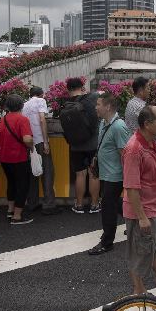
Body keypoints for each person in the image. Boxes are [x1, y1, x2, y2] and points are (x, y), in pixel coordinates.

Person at [122, 105, 156, 294]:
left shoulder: (152, 142)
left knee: (155, 244)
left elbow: (150, 174)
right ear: (147, 124)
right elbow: (131, 186)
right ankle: (138, 289)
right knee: (140, 250)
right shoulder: (134, 149)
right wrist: (141, 217)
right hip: (143, 210)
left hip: (154, 206)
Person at [88, 93, 131, 255]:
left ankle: (107, 242)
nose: (95, 107)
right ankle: (134, 221)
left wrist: (129, 178)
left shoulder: (119, 127)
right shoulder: (103, 123)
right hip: (106, 173)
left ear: (108, 107)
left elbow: (125, 154)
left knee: (107, 207)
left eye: (98, 104)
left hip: (115, 175)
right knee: (113, 203)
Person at [61, 77, 101, 214]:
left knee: (80, 175)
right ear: (82, 87)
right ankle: (95, 204)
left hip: (75, 145)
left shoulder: (65, 104)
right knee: (93, 174)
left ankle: (78, 204)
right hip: (92, 143)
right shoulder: (92, 98)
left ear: (68, 89)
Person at [0, 94, 34, 225]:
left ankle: (10, 210)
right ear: (22, 105)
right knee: (22, 185)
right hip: (19, 158)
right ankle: (17, 216)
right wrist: (31, 146)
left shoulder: (3, 119)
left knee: (11, 183)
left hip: (4, 158)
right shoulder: (22, 119)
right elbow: (27, 139)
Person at [23, 86, 59, 215]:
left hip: (28, 142)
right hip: (39, 141)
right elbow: (42, 119)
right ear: (41, 94)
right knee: (48, 172)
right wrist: (45, 142)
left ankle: (32, 203)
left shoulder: (25, 105)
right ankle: (49, 204)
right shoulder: (40, 101)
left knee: (33, 172)